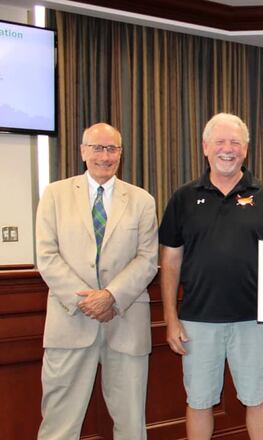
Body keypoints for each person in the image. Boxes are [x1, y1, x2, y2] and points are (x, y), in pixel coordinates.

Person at [159, 113, 263, 439]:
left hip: (255, 321)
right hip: (197, 321)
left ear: (245, 149)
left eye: (235, 142)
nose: (228, 149)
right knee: (199, 401)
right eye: (220, 142)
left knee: (257, 397)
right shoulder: (183, 197)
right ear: (205, 147)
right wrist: (171, 318)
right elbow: (170, 262)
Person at [36, 123, 158, 439]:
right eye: (97, 148)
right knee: (59, 424)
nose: (105, 156)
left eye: (112, 149)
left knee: (131, 425)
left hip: (126, 322)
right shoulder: (54, 195)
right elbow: (46, 256)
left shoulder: (142, 200)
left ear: (121, 153)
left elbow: (147, 259)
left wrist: (111, 296)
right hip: (70, 322)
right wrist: (87, 301)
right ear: (83, 152)